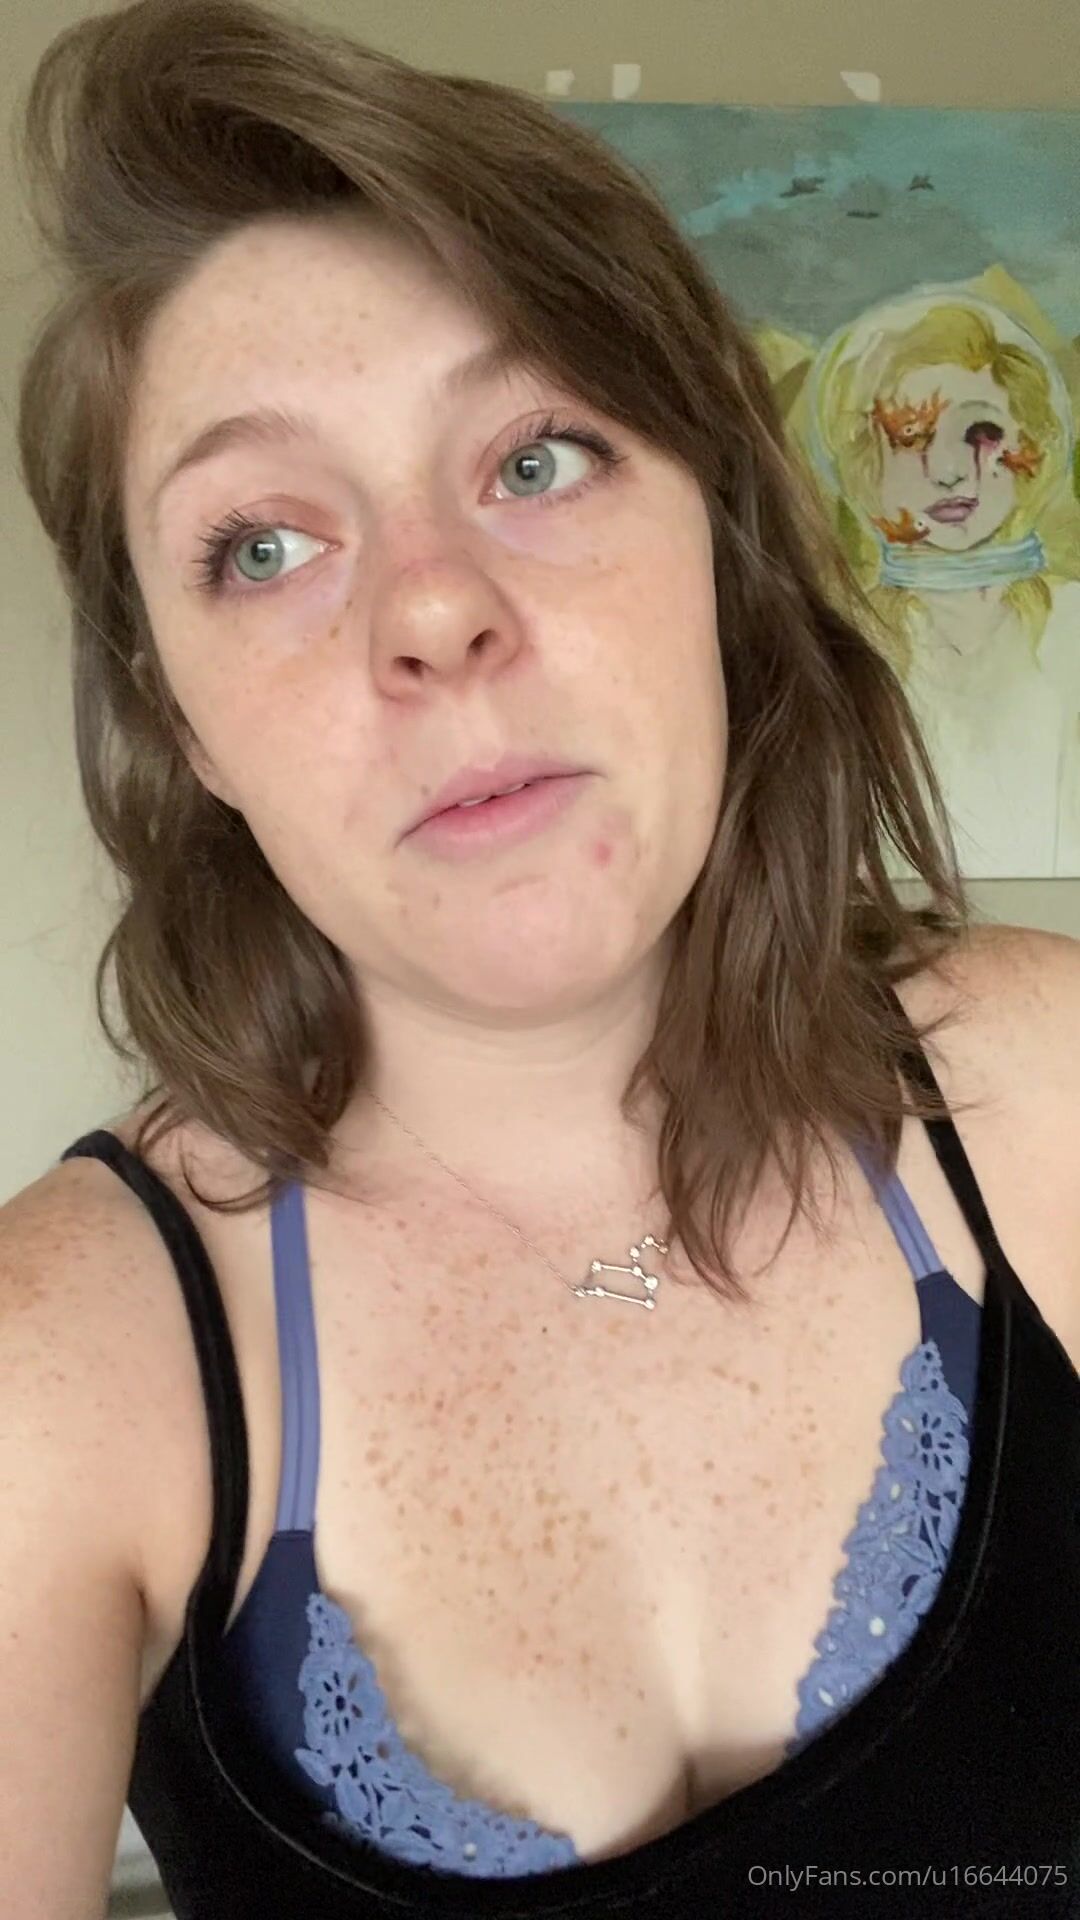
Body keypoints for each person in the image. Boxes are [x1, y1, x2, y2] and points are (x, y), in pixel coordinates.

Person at [2, 3, 1078, 1917]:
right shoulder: (59, 1370)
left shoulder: (1053, 1089)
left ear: (720, 537)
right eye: (262, 545)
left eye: (540, 453)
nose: (434, 609)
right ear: (180, 723)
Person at [796, 290, 1080, 878]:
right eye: (908, 438)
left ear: (1032, 441)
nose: (948, 471)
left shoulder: (1072, 624)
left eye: (981, 431)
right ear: (863, 462)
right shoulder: (837, 644)